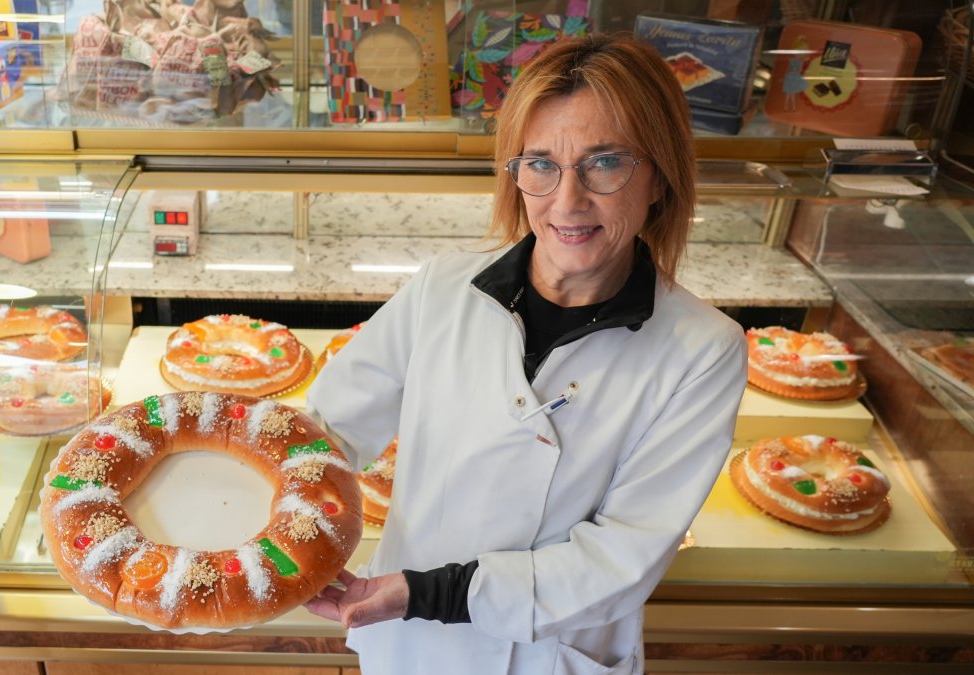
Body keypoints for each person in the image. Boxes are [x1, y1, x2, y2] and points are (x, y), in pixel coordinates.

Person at [304, 33, 748, 675]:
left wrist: (432, 592)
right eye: (540, 163)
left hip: (551, 654)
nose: (567, 201)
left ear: (659, 177)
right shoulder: (442, 290)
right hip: (410, 646)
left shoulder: (703, 350)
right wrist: (278, 530)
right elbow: (327, 437)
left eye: (605, 163)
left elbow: (622, 559)